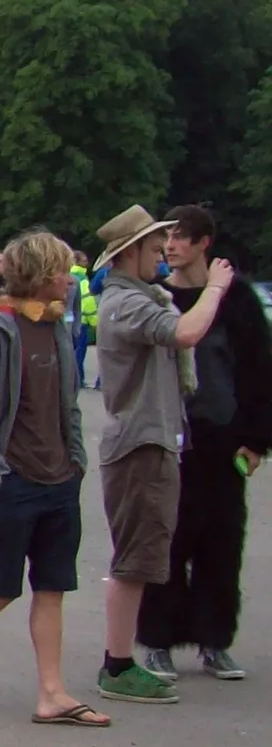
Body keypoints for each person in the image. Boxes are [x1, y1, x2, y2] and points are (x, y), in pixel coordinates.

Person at [0, 230, 107, 725]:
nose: (70, 279)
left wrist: (75, 461)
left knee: (52, 586)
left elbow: (67, 403)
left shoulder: (56, 326)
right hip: (13, 480)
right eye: (61, 271)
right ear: (38, 276)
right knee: (2, 586)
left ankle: (51, 693)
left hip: (60, 480)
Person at [89, 204, 239, 705]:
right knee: (136, 558)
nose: (162, 256)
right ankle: (118, 664)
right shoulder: (126, 304)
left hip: (152, 442)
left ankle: (123, 661)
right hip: (138, 446)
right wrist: (216, 288)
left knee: (145, 555)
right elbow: (185, 332)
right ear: (130, 253)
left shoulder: (141, 297)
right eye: (155, 248)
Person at [136, 205, 272, 681]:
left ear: (203, 243)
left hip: (222, 439)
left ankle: (216, 641)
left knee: (222, 543)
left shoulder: (237, 302)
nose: (170, 245)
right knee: (166, 543)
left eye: (179, 237)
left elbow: (259, 373)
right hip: (171, 439)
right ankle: (157, 642)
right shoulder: (156, 298)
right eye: (166, 237)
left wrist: (256, 440)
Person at [71, 250, 97, 388]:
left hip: (70, 320)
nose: (86, 263)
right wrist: (94, 321)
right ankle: (78, 379)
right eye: (84, 261)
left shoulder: (68, 275)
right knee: (80, 352)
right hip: (82, 321)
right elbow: (87, 301)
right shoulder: (82, 278)